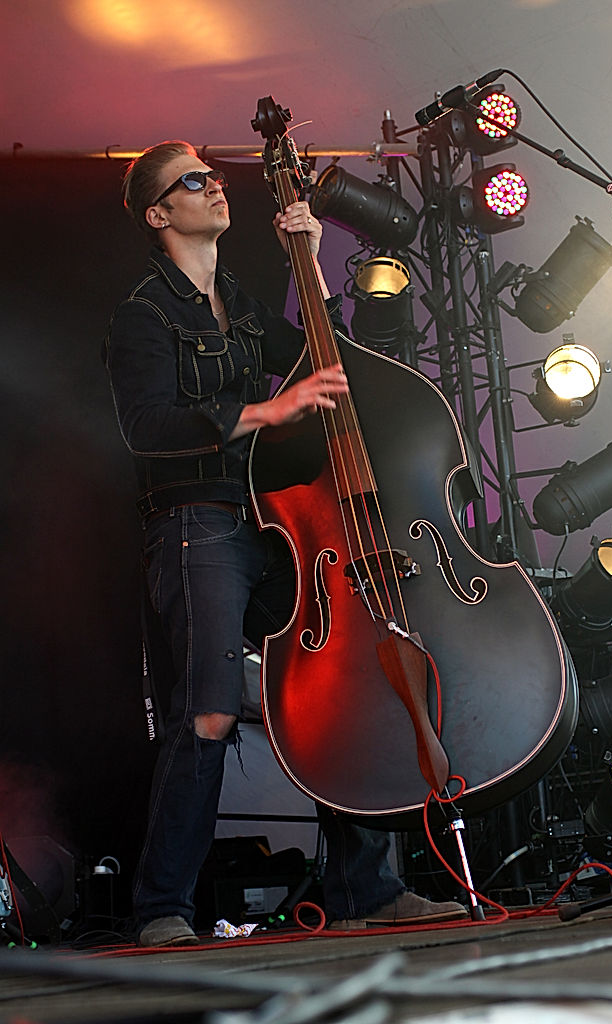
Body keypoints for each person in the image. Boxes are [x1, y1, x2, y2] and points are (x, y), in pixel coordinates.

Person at [104, 140, 467, 946]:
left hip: (267, 522)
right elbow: (146, 427)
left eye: (213, 174)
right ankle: (162, 908)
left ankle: (366, 890)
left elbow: (315, 363)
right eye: (194, 180)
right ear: (159, 213)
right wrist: (265, 413)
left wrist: (306, 253)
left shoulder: (234, 294)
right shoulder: (144, 314)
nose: (215, 186)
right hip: (194, 522)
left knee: (339, 681)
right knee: (203, 714)